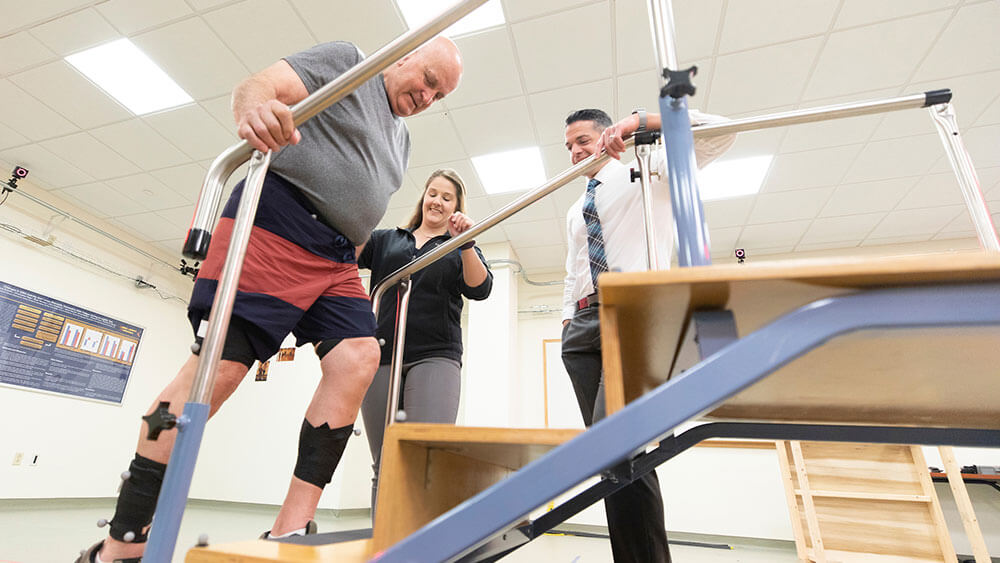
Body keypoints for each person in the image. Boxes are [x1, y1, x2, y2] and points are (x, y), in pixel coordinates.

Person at [77, 36, 463, 563]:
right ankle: (122, 543)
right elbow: (259, 85)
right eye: (429, 81)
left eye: (439, 96)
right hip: (277, 221)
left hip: (336, 257)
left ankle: (291, 528)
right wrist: (255, 110)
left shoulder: (402, 139)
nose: (429, 97)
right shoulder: (351, 63)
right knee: (221, 370)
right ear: (404, 57)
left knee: (359, 358)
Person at [560, 107, 736, 562]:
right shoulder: (573, 208)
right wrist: (565, 319)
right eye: (569, 146)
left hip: (632, 312)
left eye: (582, 140)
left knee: (616, 444)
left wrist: (640, 122)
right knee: (611, 459)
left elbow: (720, 133)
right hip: (581, 329)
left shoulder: (647, 165)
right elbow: (573, 269)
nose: (575, 151)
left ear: (606, 135)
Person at [356, 168, 492, 512]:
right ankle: (385, 548)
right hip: (382, 356)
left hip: (435, 357)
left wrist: (466, 243)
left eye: (448, 198)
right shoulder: (387, 239)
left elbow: (480, 288)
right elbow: (347, 251)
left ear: (456, 208)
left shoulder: (458, 247)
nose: (438, 201)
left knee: (426, 458)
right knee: (385, 461)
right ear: (423, 197)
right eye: (433, 193)